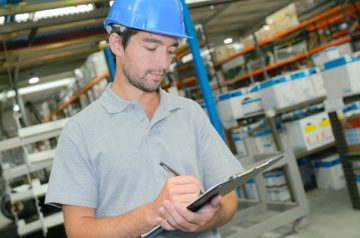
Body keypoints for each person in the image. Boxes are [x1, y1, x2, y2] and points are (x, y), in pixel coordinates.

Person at [45, 0, 243, 237]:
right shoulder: (80, 132)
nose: (163, 63)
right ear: (117, 44)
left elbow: (230, 198)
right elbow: (78, 231)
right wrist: (150, 215)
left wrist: (210, 216)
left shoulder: (190, 113)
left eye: (171, 50)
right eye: (151, 48)